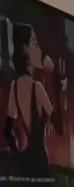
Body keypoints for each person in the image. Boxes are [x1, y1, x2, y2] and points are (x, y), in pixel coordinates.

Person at [3, 24, 66, 173]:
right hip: (40, 165)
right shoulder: (37, 87)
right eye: (35, 45)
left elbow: (7, 132)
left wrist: (18, 156)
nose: (40, 51)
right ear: (25, 48)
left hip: (25, 164)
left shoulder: (14, 86)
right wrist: (58, 89)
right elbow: (60, 129)